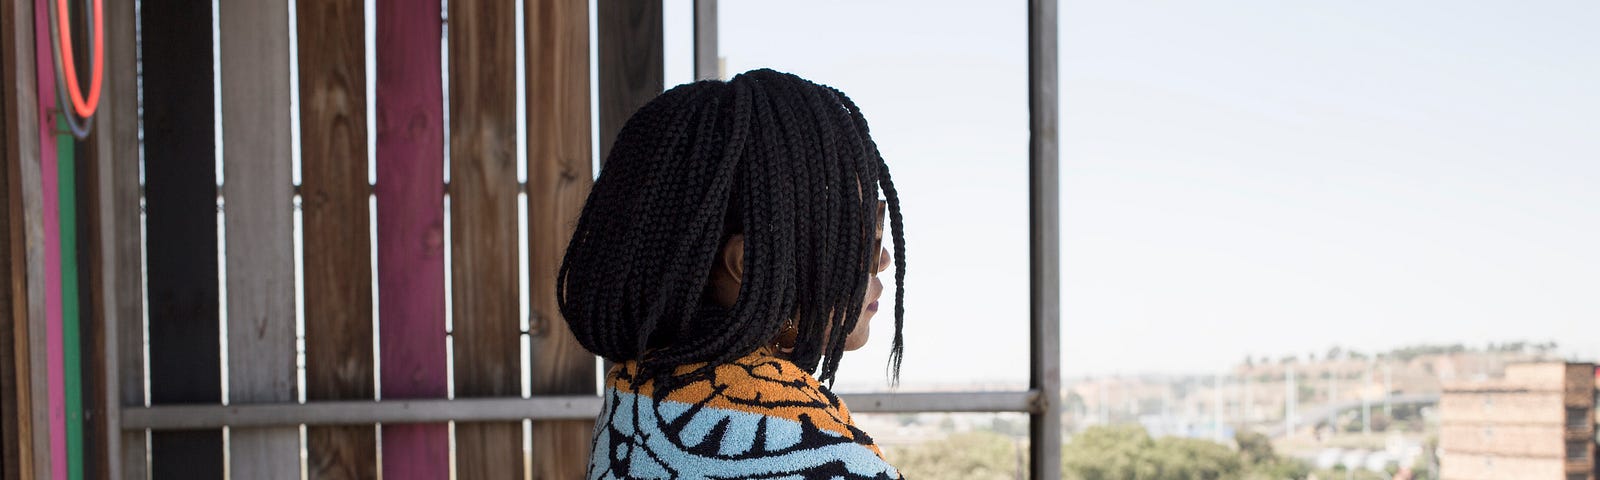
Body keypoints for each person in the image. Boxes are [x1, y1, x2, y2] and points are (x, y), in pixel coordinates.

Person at [559, 69, 906, 480]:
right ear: (747, 263)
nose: (882, 258)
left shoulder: (636, 397)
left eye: (877, 226)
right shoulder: (825, 461)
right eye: (853, 235)